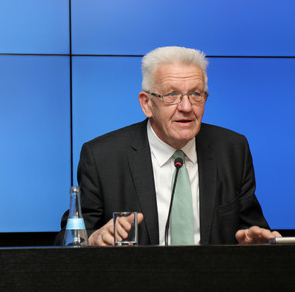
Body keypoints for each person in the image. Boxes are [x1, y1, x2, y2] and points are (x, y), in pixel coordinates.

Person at [58, 46, 281, 246]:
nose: (186, 107)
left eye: (195, 94)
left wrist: (252, 241)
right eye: (172, 95)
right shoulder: (102, 157)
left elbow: (249, 228)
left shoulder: (232, 149)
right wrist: (93, 239)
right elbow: (68, 241)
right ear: (147, 104)